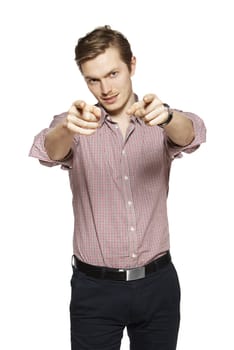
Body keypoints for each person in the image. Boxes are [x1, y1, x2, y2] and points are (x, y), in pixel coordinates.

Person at [29, 25, 206, 350]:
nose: (104, 88)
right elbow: (48, 148)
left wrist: (167, 117)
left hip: (158, 285)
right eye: (93, 79)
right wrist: (69, 128)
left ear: (132, 66)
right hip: (94, 289)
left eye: (113, 73)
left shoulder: (160, 121)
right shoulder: (75, 124)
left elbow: (192, 133)